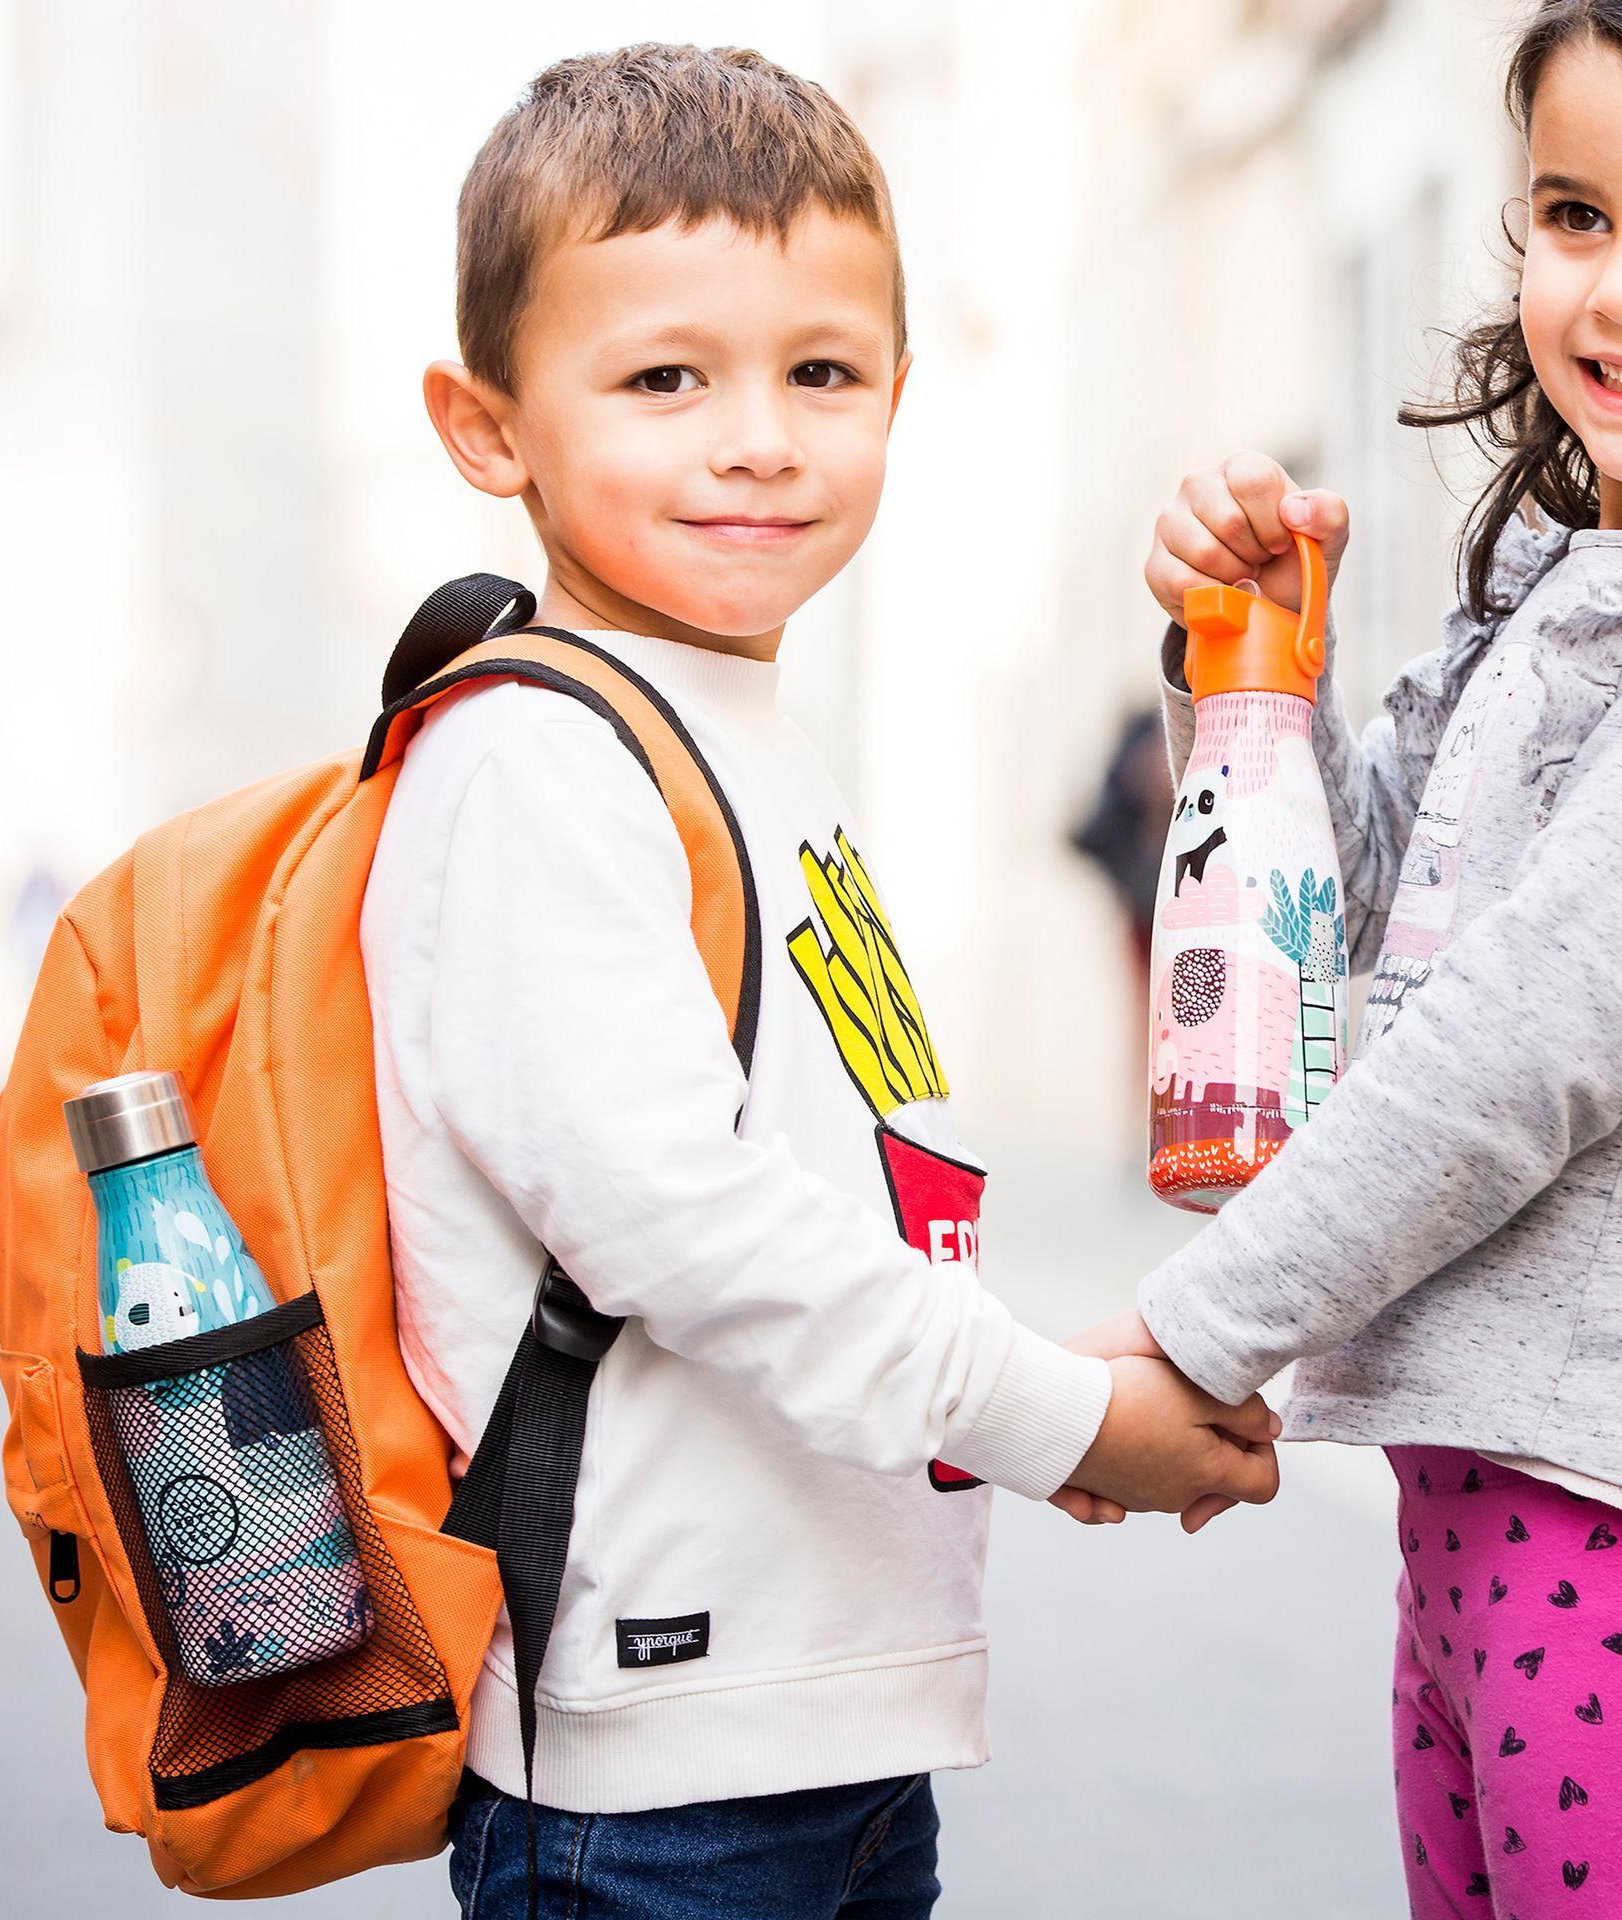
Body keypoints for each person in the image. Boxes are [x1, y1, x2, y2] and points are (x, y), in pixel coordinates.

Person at [359, 42, 1280, 1919]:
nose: (759, 435)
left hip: (822, 1736)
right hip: (658, 1778)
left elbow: (834, 1197)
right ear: (489, 425)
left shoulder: (741, 727)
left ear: (896, 392)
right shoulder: (538, 760)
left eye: (822, 372)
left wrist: (1030, 1375)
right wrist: (1049, 1416)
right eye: (664, 377)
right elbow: (683, 1229)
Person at [1081, 4, 1622, 1910]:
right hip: (1470, 1496)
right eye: (1576, 215)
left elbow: (1508, 1053)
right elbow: (1360, 902)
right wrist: (1250, 675)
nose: (1610, 295)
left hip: (1599, 1515)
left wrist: (1188, 1336)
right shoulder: (1537, 593)